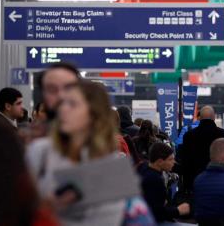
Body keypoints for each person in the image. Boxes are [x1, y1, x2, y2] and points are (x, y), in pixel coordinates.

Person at [26, 80, 155, 226]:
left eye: (74, 105)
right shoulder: (40, 152)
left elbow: (137, 216)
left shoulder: (112, 161)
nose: (65, 110)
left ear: (96, 114)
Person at [178, 105, 224, 192]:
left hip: (194, 185)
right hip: (220, 183)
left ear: (199, 118)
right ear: (214, 117)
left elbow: (183, 161)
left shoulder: (189, 135)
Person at [138, 142, 190, 224]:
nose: (174, 162)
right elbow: (156, 214)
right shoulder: (154, 180)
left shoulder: (143, 168)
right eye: (170, 159)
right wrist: (178, 210)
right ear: (160, 161)